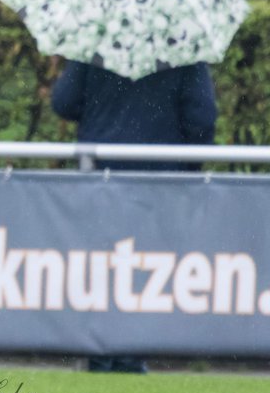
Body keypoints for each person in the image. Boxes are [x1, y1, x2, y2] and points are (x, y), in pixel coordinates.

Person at [51, 58, 217, 374]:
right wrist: (188, 168)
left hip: (100, 177)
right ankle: (131, 354)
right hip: (159, 183)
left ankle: (99, 354)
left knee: (100, 267)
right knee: (145, 271)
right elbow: (202, 118)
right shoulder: (184, 50)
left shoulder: (95, 44)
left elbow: (64, 103)